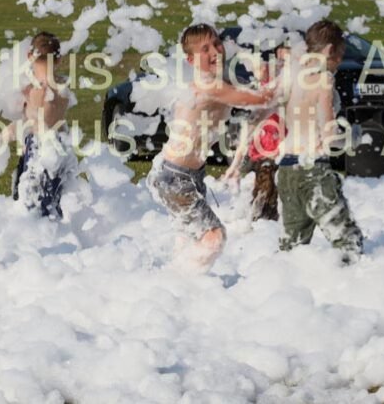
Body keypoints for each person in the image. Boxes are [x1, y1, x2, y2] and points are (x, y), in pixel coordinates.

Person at [146, 24, 276, 271]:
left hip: (189, 174)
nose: (215, 51)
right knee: (214, 238)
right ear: (191, 60)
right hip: (174, 177)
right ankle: (176, 277)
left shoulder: (221, 82)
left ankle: (177, 281)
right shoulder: (209, 86)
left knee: (189, 239)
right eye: (205, 49)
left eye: (217, 44)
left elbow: (259, 99)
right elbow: (260, 99)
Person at [276, 20, 363, 264]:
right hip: (313, 170)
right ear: (329, 50)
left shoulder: (292, 73)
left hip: (286, 170)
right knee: (348, 241)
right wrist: (352, 138)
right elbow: (329, 134)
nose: (340, 62)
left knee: (291, 247)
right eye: (340, 55)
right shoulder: (324, 79)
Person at [6, 32, 75, 219]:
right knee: (55, 207)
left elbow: (26, 124)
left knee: (31, 211)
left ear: (30, 56)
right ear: (59, 58)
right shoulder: (63, 88)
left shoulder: (30, 90)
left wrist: (2, 136)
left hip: (37, 154)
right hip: (61, 150)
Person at [223, 41, 289, 222]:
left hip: (282, 140)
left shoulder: (292, 79)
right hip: (269, 139)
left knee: (277, 186)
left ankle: (261, 218)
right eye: (282, 58)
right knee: (267, 183)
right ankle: (260, 218)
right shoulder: (270, 74)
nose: (284, 64)